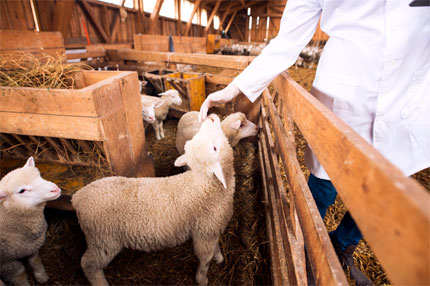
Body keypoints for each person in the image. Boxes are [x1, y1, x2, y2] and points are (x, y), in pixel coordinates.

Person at [199, 0, 430, 285]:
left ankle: (343, 245)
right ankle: (308, 252)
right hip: (345, 96)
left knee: (384, 197)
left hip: (410, 93)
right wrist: (235, 87)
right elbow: (288, 39)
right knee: (323, 186)